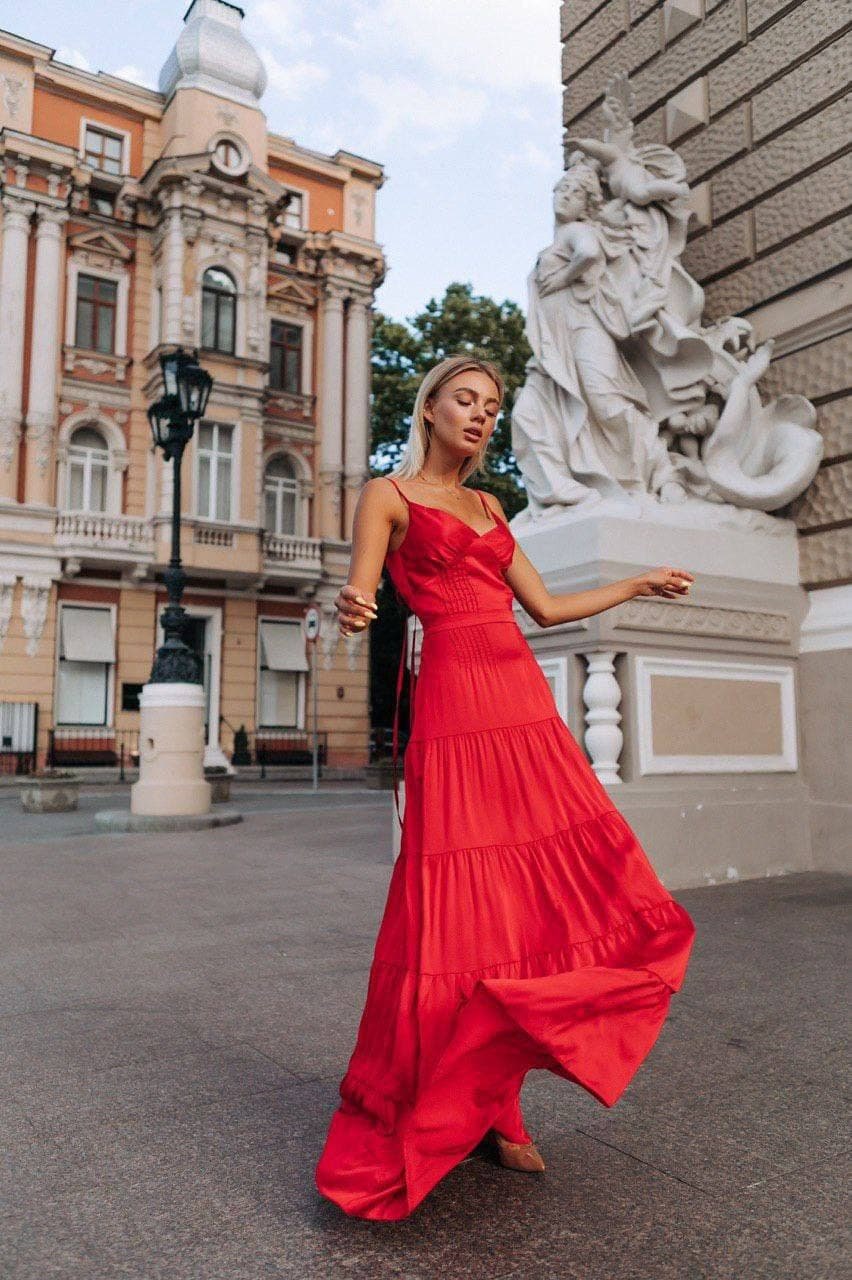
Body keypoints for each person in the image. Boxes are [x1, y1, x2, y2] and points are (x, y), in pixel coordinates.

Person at [314, 354, 697, 1221]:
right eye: (467, 400)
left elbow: (547, 610)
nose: (482, 416)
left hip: (518, 699)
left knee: (537, 892)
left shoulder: (491, 508)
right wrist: (352, 604)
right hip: (454, 704)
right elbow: (362, 589)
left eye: (492, 405)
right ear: (431, 407)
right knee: (463, 906)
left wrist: (638, 581)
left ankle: (497, 1092)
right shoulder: (388, 496)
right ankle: (477, 1104)